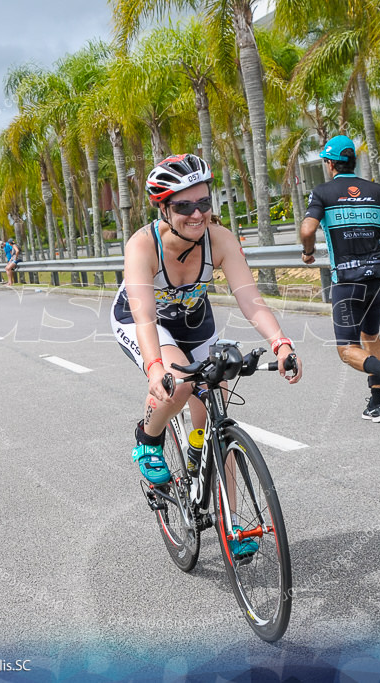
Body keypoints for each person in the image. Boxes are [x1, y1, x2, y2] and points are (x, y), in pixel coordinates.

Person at [112, 154, 302, 554]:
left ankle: (230, 524)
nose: (197, 214)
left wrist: (281, 343)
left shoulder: (220, 238)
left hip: (194, 321)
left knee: (215, 415)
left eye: (204, 202)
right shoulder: (143, 245)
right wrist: (154, 368)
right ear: (162, 207)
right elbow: (145, 317)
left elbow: (250, 300)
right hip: (143, 321)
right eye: (184, 206)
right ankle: (147, 439)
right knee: (178, 384)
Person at [300, 135, 380, 423]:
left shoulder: (323, 192)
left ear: (329, 163)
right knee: (371, 335)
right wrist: (374, 231)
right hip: (378, 275)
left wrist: (308, 252)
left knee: (347, 348)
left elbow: (308, 229)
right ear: (353, 161)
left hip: (347, 279)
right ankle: (378, 403)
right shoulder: (376, 191)